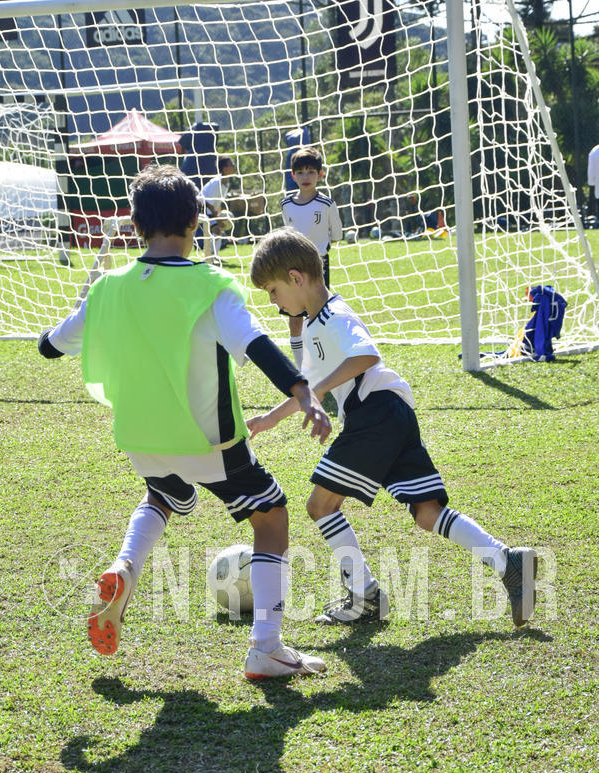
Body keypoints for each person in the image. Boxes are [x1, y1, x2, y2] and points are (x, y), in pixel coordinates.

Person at [38, 166, 332, 679]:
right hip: (209, 441)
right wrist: (300, 389)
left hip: (140, 440)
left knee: (164, 495)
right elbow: (257, 345)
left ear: (133, 224)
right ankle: (266, 646)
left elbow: (49, 346)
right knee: (271, 516)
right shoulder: (210, 284)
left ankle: (125, 567)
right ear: (197, 221)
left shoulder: (108, 287)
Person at [248, 228, 537, 628]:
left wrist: (322, 394)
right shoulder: (314, 324)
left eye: (273, 291)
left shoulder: (334, 314)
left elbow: (366, 354)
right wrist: (269, 419)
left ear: (296, 278)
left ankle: (365, 597)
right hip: (391, 413)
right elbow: (307, 391)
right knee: (427, 512)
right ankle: (510, 561)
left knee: (321, 505)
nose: (274, 301)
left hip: (377, 413)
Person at [280, 146, 343, 370]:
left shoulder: (326, 204)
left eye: (311, 172)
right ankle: (300, 369)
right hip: (292, 268)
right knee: (295, 316)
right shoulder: (286, 204)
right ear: (293, 175)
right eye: (301, 172)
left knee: (318, 314)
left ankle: (322, 362)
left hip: (318, 266)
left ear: (320, 174)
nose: (306, 177)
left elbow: (336, 236)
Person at [199, 155, 237, 263]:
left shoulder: (226, 182)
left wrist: (219, 215)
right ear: (224, 169)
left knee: (217, 232)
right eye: (231, 164)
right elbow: (208, 202)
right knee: (217, 230)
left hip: (209, 209)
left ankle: (213, 256)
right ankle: (209, 257)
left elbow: (217, 202)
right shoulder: (217, 182)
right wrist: (218, 219)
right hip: (200, 207)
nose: (234, 166)